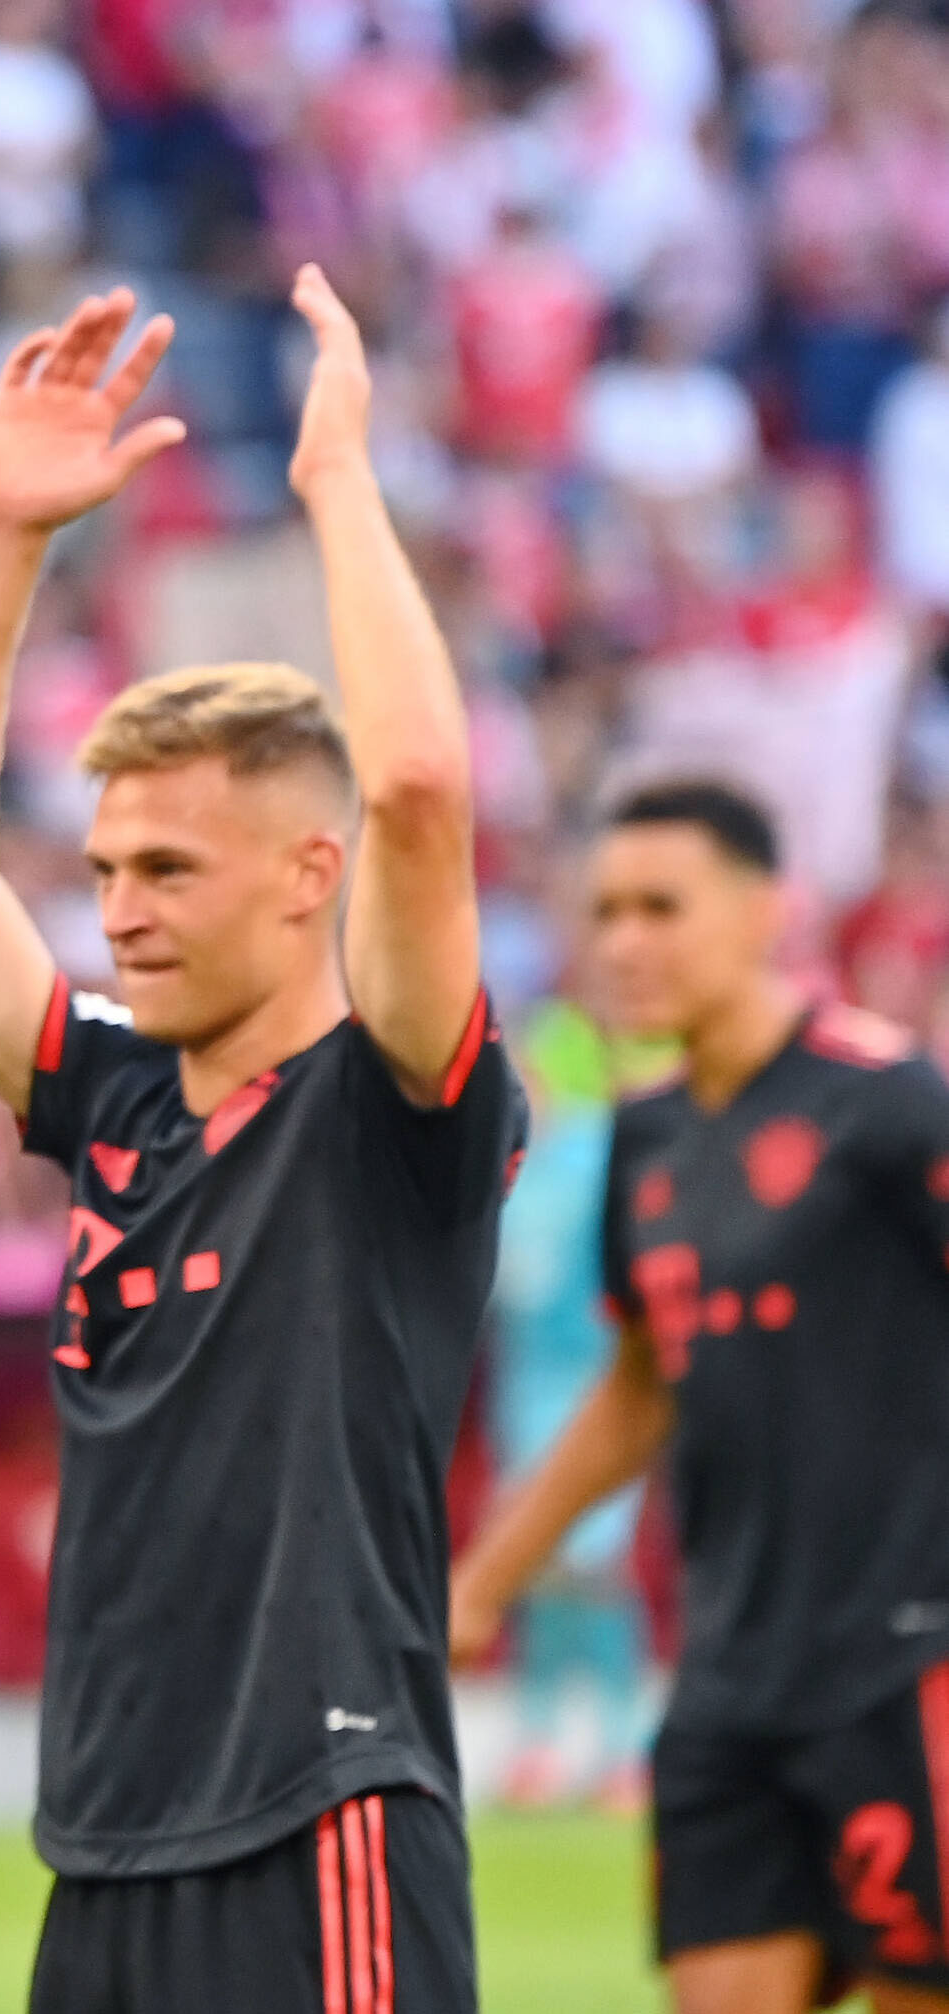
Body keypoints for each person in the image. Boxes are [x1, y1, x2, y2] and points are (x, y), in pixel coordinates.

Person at [0, 271, 522, 2014]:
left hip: (325, 1822)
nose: (120, 912)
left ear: (311, 875)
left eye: (171, 871)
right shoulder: (119, 1097)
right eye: (110, 869)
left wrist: (341, 491)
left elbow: (425, 794)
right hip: (106, 1841)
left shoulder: (390, 1105)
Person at [453, 781, 949, 2014]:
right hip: (728, 1681)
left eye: (661, 906)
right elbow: (639, 1384)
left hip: (905, 1667)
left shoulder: (890, 1104)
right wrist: (479, 1582)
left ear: (766, 912)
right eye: (605, 909)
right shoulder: (650, 1136)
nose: (623, 940)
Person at [467, 999, 649, 1813]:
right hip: (528, 1390)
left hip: (596, 1387)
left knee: (594, 1569)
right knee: (537, 1565)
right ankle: (543, 1739)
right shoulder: (519, 1163)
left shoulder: (597, 1160)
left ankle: (622, 1744)